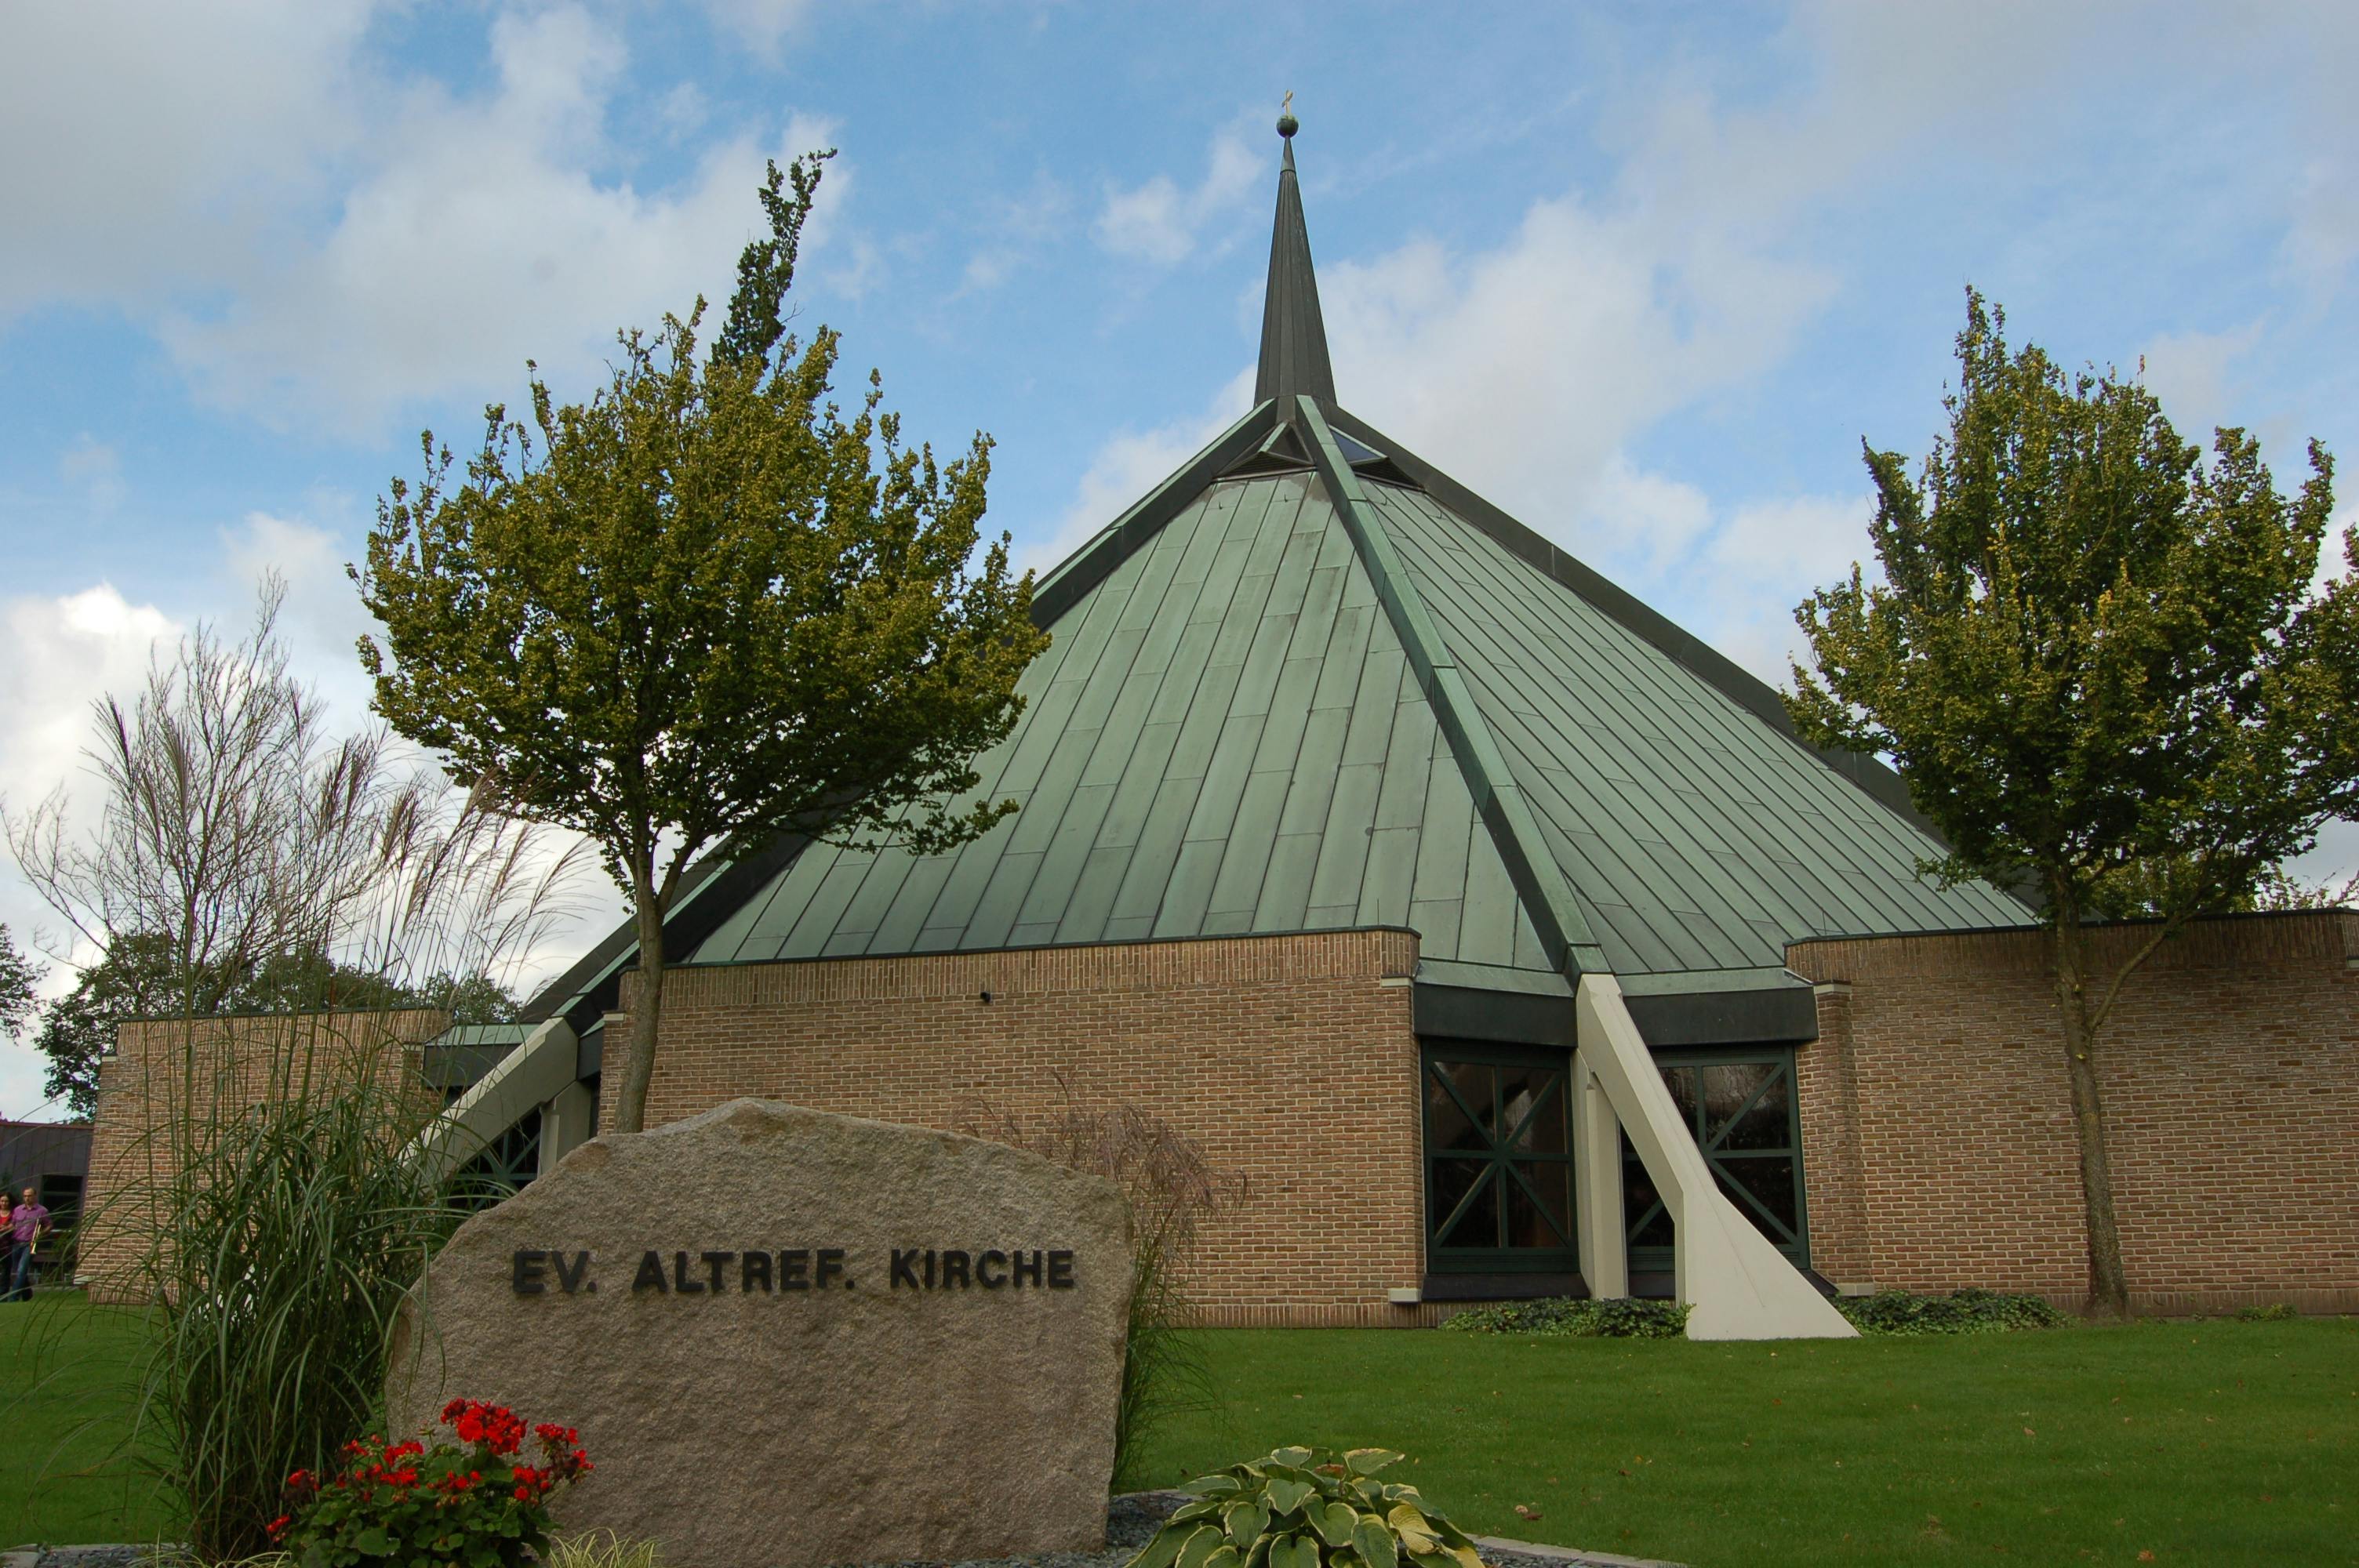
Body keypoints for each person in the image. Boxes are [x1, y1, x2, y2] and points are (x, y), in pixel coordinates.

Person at [5, 1185, 48, 1302]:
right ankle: (27, 1294)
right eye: (25, 1196)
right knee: (18, 1270)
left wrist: (41, 1233)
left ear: (35, 1196)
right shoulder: (18, 1210)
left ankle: (13, 1297)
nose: (27, 1198)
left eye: (29, 1196)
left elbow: (49, 1225)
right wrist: (4, 1228)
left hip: (31, 1242)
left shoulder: (42, 1211)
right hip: (17, 1241)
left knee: (21, 1269)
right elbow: (13, 1225)